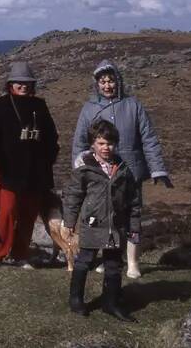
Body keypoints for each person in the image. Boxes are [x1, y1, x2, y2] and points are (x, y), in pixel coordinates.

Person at [72, 60, 171, 278]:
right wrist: (80, 168)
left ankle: (133, 261)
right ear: (97, 84)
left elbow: (149, 139)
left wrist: (157, 169)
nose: (107, 86)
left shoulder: (133, 105)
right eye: (103, 82)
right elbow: (80, 143)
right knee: (106, 218)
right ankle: (109, 260)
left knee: (132, 218)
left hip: (131, 172)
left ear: (119, 81)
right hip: (101, 175)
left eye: (111, 81)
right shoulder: (89, 109)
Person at [63, 119, 141, 322]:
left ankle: (111, 303)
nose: (107, 148)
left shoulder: (123, 169)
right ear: (92, 145)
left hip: (116, 226)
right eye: (102, 143)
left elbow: (133, 200)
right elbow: (73, 195)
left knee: (114, 264)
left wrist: (134, 226)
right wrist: (69, 221)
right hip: (92, 224)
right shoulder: (85, 169)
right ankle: (76, 299)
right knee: (84, 261)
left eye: (111, 143)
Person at [0, 62, 59, 268]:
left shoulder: (40, 105)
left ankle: (20, 255)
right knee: (6, 215)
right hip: (9, 172)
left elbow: (52, 137)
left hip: (36, 173)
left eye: (27, 82)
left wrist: (48, 160)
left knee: (28, 216)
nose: (23, 85)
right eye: (19, 82)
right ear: (10, 84)